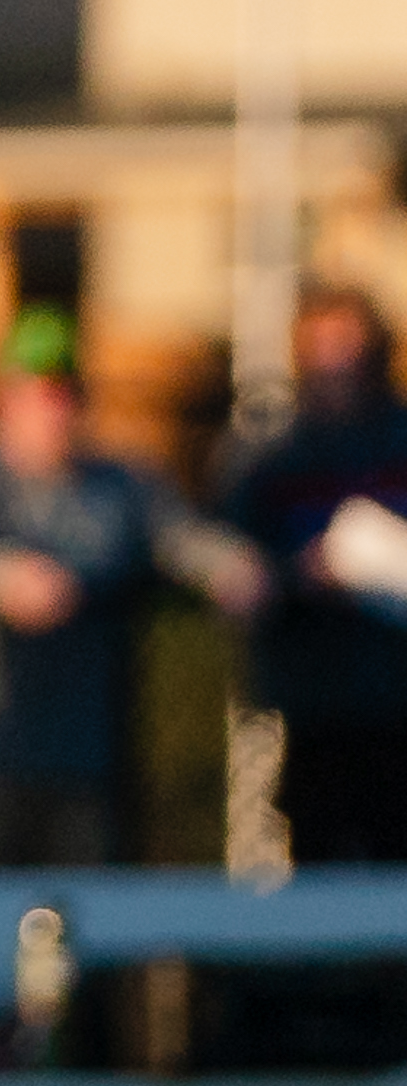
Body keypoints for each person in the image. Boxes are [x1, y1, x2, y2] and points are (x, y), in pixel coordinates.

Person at [0, 308, 266, 866]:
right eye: (37, 393)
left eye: (65, 393)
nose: (53, 410)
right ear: (3, 398)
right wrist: (5, 576)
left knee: (82, 924)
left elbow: (183, 539)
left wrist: (238, 569)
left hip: (81, 762)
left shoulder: (120, 483)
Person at [219, 283, 407, 862]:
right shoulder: (269, 456)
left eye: (349, 346)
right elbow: (234, 562)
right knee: (318, 870)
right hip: (311, 707)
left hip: (396, 699)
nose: (336, 362)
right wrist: (300, 574)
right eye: (322, 347)